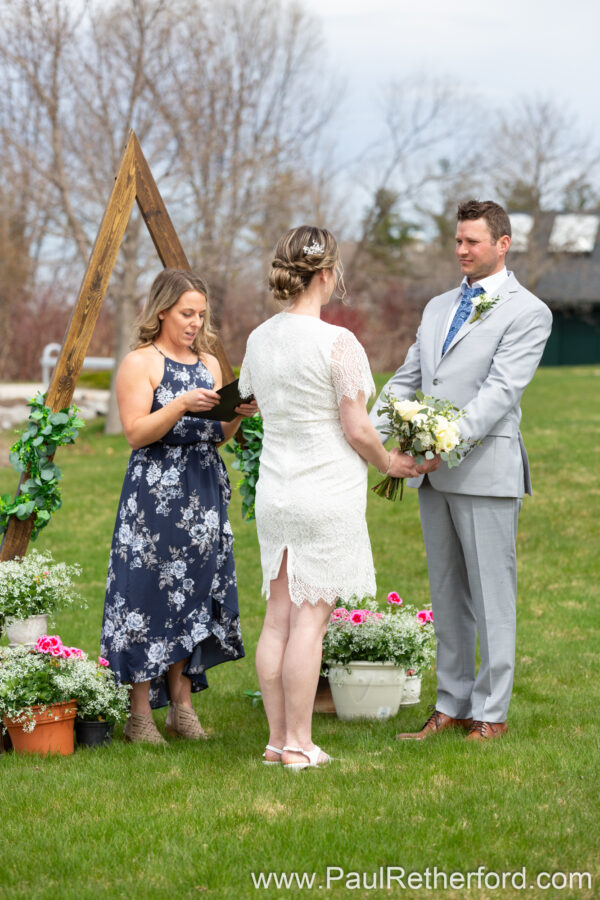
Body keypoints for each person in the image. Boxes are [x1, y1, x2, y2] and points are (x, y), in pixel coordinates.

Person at [239, 225, 421, 770]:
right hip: (324, 492)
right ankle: (299, 743)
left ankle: (277, 741)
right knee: (310, 622)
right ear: (327, 274)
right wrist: (389, 462)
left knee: (278, 617)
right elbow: (358, 428)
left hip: (276, 492)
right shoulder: (337, 343)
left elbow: (248, 401)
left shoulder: (259, 339)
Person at [370, 199, 552, 742]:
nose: (461, 250)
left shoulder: (529, 312)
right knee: (447, 596)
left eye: (472, 241)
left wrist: (441, 450)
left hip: (485, 470)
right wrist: (365, 437)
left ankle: (491, 713)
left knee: (492, 598)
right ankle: (450, 704)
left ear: (502, 244)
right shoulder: (437, 306)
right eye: (457, 240)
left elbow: (498, 394)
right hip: (432, 477)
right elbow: (409, 378)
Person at [100, 268, 257, 744]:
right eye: (187, 313)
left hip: (202, 493)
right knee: (145, 595)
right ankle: (139, 715)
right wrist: (181, 404)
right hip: (154, 497)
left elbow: (217, 436)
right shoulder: (140, 362)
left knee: (192, 595)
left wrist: (236, 415)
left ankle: (182, 707)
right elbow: (136, 432)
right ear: (163, 310)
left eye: (201, 315)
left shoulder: (208, 362)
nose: (195, 323)